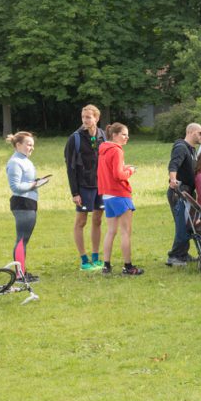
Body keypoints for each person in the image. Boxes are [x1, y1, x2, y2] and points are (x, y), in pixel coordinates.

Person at [97, 123, 143, 275]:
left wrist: (124, 168)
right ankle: (128, 267)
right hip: (120, 194)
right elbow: (118, 175)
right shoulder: (116, 151)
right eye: (124, 134)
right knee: (125, 232)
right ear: (114, 135)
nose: (127, 137)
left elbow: (110, 172)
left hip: (107, 195)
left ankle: (106, 266)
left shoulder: (103, 149)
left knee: (111, 231)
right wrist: (130, 171)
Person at [64, 104, 106, 271]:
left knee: (98, 220)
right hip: (83, 186)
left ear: (96, 118)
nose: (85, 120)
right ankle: (84, 259)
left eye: (89, 117)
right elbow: (70, 167)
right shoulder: (74, 138)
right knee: (81, 221)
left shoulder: (103, 135)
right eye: (83, 117)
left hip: (101, 186)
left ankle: (96, 257)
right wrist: (75, 192)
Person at [167, 123, 201, 266]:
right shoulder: (181, 147)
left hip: (188, 191)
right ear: (190, 132)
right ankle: (175, 256)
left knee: (188, 224)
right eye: (200, 133)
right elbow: (173, 165)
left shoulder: (191, 150)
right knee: (182, 225)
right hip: (179, 191)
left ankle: (183, 254)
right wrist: (173, 180)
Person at [5, 132, 41, 283]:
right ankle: (20, 275)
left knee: (24, 239)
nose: (31, 147)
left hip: (29, 202)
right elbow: (16, 186)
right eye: (28, 144)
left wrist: (36, 182)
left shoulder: (25, 160)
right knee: (21, 240)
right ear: (18, 145)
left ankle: (22, 272)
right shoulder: (15, 162)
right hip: (22, 202)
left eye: (32, 145)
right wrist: (34, 184)